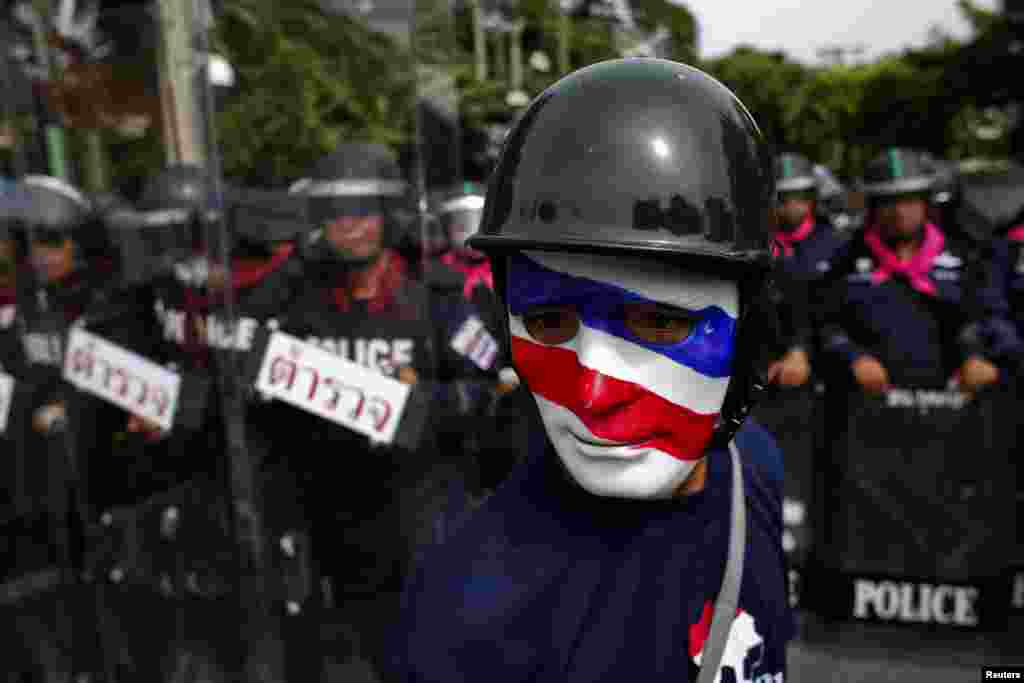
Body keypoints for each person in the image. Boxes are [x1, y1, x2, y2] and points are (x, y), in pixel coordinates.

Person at [388, 58, 792, 683]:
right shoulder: (464, 618)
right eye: (549, 323)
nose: (594, 395)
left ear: (752, 328)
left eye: (659, 324)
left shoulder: (755, 471)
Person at [283, 143, 500, 679]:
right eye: (336, 215)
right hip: (335, 525)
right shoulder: (302, 306)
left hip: (422, 520)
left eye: (363, 213)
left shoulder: (435, 300)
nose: (349, 228)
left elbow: (494, 390)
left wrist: (425, 401)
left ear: (388, 218)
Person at [819, 147, 1000, 394]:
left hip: (950, 406)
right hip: (866, 406)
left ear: (926, 202)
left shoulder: (964, 258)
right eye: (888, 202)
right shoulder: (844, 260)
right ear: (873, 206)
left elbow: (984, 320)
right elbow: (824, 325)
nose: (900, 212)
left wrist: (977, 358)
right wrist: (854, 358)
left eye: (910, 200)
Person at [768, 152, 846, 388]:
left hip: (826, 362)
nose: (791, 204)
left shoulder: (835, 243)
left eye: (800, 196)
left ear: (813, 198)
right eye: (782, 197)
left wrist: (802, 352)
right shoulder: (757, 244)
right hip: (769, 364)